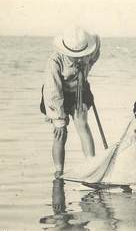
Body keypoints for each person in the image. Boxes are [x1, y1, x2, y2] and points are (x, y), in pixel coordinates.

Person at [41, 26, 100, 179]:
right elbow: (52, 91)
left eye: (83, 54)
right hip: (57, 95)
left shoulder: (89, 51)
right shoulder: (55, 61)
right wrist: (59, 118)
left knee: (82, 124)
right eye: (76, 56)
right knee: (61, 133)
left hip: (79, 91)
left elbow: (96, 46)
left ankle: (91, 166)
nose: (80, 58)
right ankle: (59, 172)